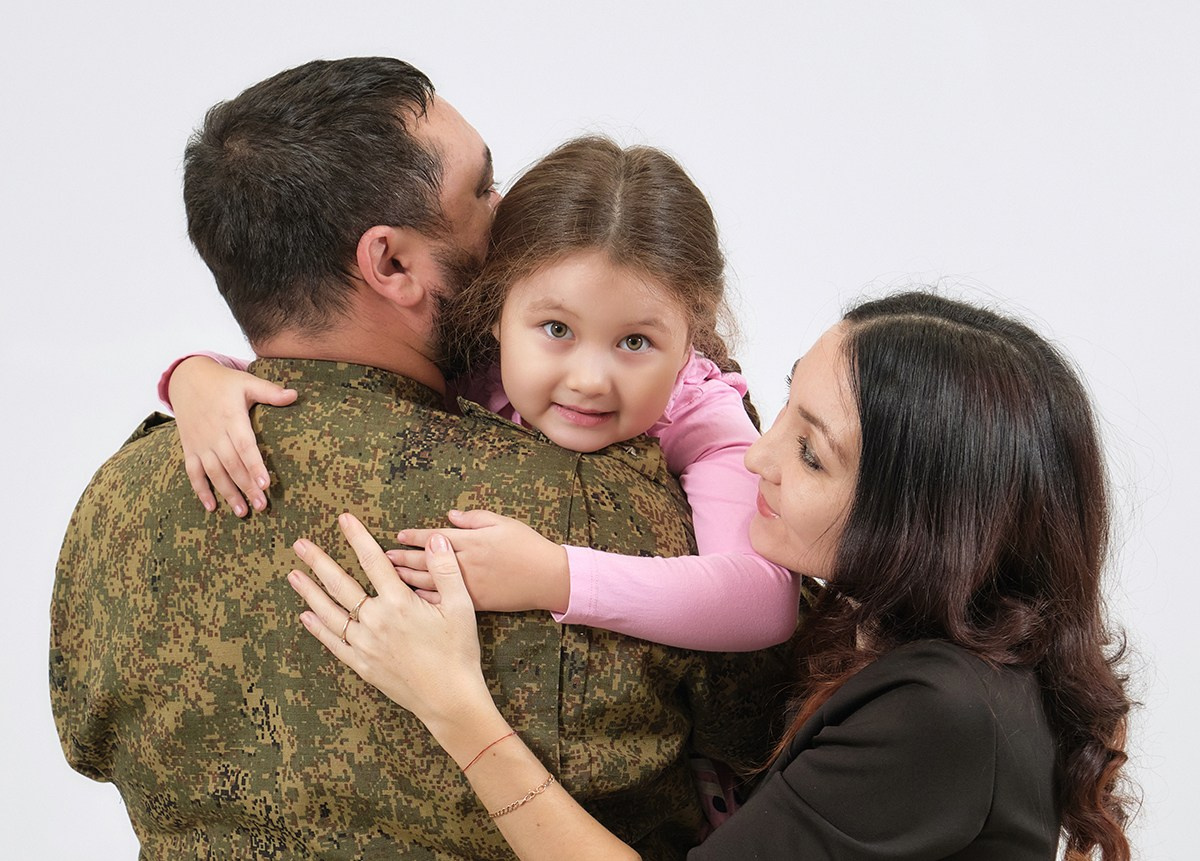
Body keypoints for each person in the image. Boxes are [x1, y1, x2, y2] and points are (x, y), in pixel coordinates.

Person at [50, 57, 793, 860]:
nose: (508, 214)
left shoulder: (117, 500)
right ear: (392, 264)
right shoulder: (614, 502)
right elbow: (775, 722)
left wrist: (191, 377)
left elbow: (85, 746)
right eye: (483, 189)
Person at [291, 291, 1135, 860]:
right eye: (785, 407)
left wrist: (454, 703)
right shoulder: (899, 634)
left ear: (921, 523)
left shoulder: (940, 714)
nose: (758, 457)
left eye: (810, 452)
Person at [162, 136, 802, 653]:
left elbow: (761, 601)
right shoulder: (475, 368)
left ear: (691, 329)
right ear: (493, 309)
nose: (589, 379)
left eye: (635, 342)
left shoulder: (700, 414)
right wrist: (195, 376)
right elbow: (325, 364)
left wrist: (555, 576)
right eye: (557, 330)